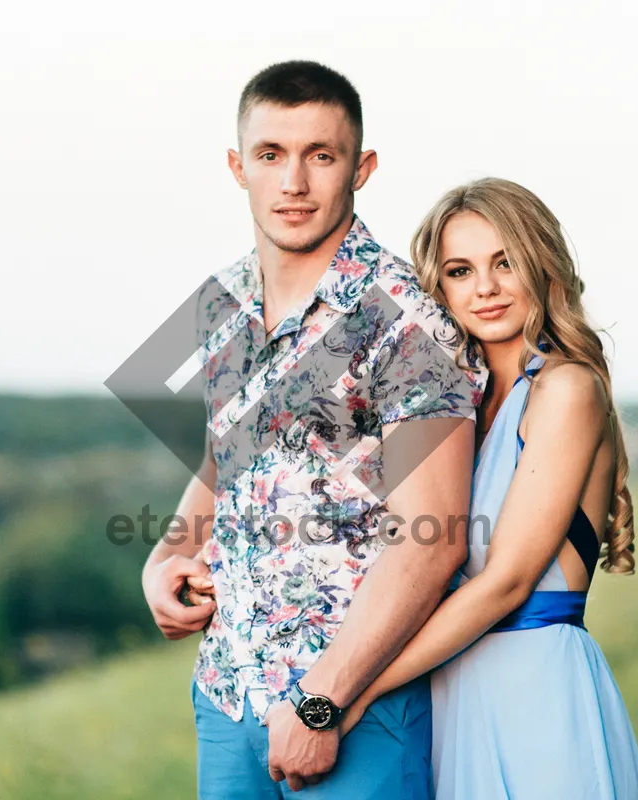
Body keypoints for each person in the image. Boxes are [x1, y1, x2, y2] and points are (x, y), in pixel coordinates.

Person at [140, 60, 486, 799]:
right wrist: (167, 554)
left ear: (361, 167)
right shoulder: (221, 302)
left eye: (319, 156)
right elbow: (227, 452)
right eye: (271, 155)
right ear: (239, 167)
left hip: (354, 708)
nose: (293, 182)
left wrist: (323, 700)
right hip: (228, 691)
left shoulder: (407, 318)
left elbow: (431, 541)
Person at [331, 178, 638, 798]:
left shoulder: (566, 389)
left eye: (505, 262)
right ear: (439, 287)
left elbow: (505, 583)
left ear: (543, 263)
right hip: (454, 694)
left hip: (534, 692)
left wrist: (356, 690)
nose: (485, 287)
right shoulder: (458, 409)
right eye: (460, 270)